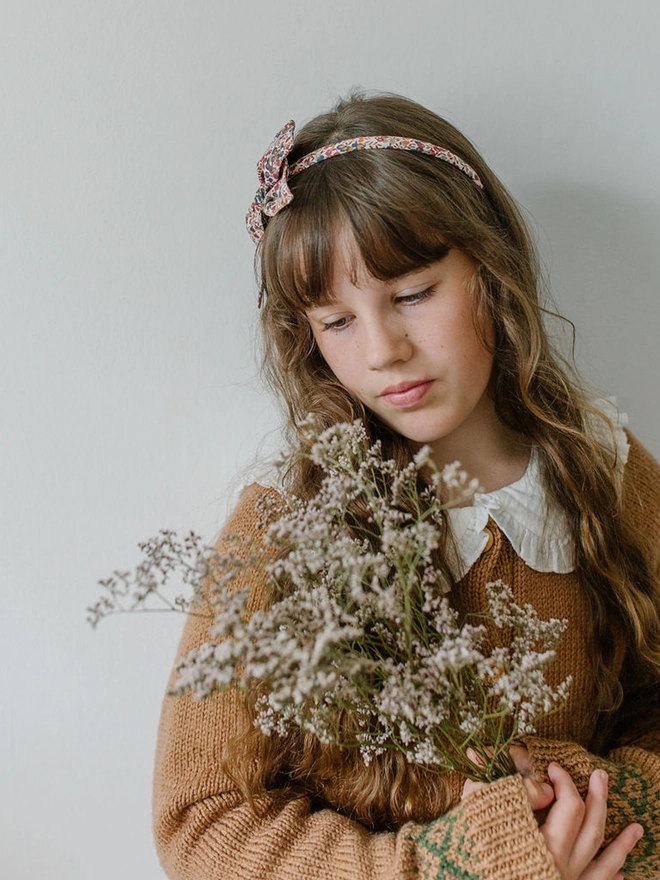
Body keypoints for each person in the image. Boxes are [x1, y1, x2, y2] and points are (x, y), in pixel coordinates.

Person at [153, 93, 660, 880]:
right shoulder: (288, 528)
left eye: (413, 294)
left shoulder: (603, 468)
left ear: (490, 270)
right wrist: (459, 866)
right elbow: (201, 824)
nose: (383, 349)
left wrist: (597, 828)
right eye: (336, 319)